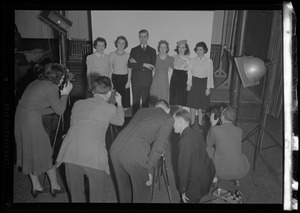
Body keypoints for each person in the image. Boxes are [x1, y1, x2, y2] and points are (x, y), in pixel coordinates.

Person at [56, 76, 125, 202]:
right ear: (110, 92)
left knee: (76, 197)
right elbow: (120, 121)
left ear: (93, 91)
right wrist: (119, 104)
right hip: (93, 155)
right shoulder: (110, 108)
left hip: (70, 152)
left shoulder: (78, 104)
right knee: (96, 197)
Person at [14, 63, 73, 198]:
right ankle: (55, 187)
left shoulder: (37, 81)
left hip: (21, 116)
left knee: (28, 150)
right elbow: (60, 111)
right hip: (30, 121)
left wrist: (55, 106)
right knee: (46, 151)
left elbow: (36, 106)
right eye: (62, 77)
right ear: (57, 76)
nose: (63, 79)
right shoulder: (51, 87)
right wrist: (65, 94)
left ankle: (36, 187)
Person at [109, 99, 174, 203]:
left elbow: (140, 131)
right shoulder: (168, 118)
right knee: (142, 194)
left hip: (115, 148)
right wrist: (148, 170)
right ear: (168, 109)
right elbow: (157, 149)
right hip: (133, 155)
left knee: (124, 191)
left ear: (155, 107)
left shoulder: (142, 111)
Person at [173, 109, 215, 203]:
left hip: (197, 182)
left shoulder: (185, 141)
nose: (172, 125)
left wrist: (183, 190)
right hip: (207, 173)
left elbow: (184, 168)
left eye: (174, 121)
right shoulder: (196, 132)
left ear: (180, 121)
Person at [206, 104, 250, 186]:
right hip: (241, 171)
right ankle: (236, 179)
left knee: (208, 149)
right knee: (234, 148)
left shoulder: (215, 129)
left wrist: (212, 125)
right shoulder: (239, 130)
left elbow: (209, 143)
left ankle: (214, 178)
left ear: (222, 117)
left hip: (221, 172)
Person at [128, 29, 156, 115]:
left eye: (145, 36)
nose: (143, 39)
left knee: (145, 103)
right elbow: (129, 64)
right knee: (135, 103)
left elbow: (152, 66)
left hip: (146, 80)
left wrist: (137, 63)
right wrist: (144, 64)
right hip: (136, 80)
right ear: (139, 37)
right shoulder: (134, 50)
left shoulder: (152, 50)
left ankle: (145, 121)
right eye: (141, 37)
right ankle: (134, 121)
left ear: (148, 37)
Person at [187, 41, 214, 126]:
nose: (199, 52)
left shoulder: (209, 61)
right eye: (197, 50)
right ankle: (192, 121)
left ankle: (199, 121)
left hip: (204, 83)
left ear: (204, 50)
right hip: (194, 82)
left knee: (202, 104)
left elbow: (210, 74)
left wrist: (208, 88)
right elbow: (189, 73)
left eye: (201, 50)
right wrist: (189, 83)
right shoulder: (192, 60)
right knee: (193, 103)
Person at [108, 35, 131, 109]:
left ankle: (123, 116)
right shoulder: (112, 55)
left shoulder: (128, 55)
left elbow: (129, 69)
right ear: (116, 44)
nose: (121, 45)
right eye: (119, 43)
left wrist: (128, 82)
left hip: (125, 78)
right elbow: (110, 68)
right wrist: (110, 81)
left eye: (123, 43)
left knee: (124, 101)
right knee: (114, 99)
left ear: (125, 45)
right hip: (115, 78)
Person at [149, 40, 174, 105]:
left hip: (164, 82)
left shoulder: (170, 58)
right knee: (154, 100)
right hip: (155, 82)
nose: (162, 49)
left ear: (167, 49)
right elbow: (148, 64)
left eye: (164, 47)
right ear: (158, 48)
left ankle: (164, 114)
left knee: (164, 99)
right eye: (161, 47)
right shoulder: (155, 57)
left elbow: (177, 68)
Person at [169, 40, 191, 108]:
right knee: (173, 99)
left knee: (181, 100)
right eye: (179, 47)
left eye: (183, 47)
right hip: (174, 78)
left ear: (186, 48)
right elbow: (169, 69)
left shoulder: (188, 59)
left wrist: (189, 84)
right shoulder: (173, 57)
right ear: (177, 48)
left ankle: (180, 116)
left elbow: (190, 72)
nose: (181, 49)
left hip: (183, 79)